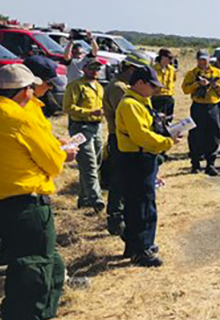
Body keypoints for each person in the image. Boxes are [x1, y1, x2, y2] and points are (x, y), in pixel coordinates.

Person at [0, 64, 74, 320]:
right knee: (32, 277)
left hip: (4, 204)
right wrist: (64, 152)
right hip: (27, 203)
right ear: (24, 91)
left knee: (43, 267)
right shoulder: (19, 117)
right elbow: (53, 162)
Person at [115, 65, 177, 266]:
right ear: (140, 83)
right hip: (136, 159)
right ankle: (141, 250)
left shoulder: (141, 102)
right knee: (142, 205)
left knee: (139, 203)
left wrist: (168, 133)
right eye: (151, 85)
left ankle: (136, 245)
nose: (155, 90)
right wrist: (166, 143)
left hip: (142, 158)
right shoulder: (130, 105)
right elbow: (140, 135)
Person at [103, 55, 142, 236]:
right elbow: (127, 114)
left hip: (121, 137)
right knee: (119, 179)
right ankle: (116, 218)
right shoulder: (118, 88)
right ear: (130, 70)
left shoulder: (121, 86)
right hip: (118, 138)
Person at [62, 58, 106, 212]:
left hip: (96, 127)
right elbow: (67, 107)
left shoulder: (100, 87)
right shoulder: (75, 86)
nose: (95, 71)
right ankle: (97, 200)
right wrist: (89, 112)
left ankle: (84, 198)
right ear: (84, 68)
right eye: (92, 68)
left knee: (95, 162)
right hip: (80, 127)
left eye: (97, 68)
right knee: (89, 164)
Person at [182, 49, 220, 176]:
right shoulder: (192, 73)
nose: (203, 62)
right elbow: (185, 89)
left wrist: (215, 86)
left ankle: (210, 164)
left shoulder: (217, 72)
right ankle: (195, 164)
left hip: (212, 106)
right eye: (200, 59)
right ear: (197, 60)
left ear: (209, 59)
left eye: (205, 59)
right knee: (196, 135)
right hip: (198, 107)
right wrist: (197, 84)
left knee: (214, 135)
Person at [152, 48, 177, 121]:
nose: (170, 60)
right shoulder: (153, 69)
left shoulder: (172, 70)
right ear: (162, 57)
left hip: (168, 98)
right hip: (156, 98)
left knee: (168, 119)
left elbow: (174, 80)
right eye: (169, 58)